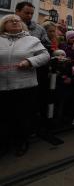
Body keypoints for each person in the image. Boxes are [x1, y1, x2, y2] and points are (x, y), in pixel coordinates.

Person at [0, 14, 50, 157]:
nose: (15, 22)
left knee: (22, 116)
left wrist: (30, 62)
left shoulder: (32, 40)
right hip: (2, 86)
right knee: (3, 117)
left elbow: (45, 55)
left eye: (18, 20)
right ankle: (4, 143)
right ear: (4, 25)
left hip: (25, 86)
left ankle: (21, 141)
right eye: (11, 21)